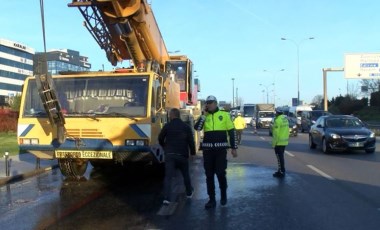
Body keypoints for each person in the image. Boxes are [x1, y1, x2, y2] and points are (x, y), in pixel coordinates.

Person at [194, 95, 238, 209]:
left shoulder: (224, 115)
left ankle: (223, 195)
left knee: (220, 173)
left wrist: (234, 148)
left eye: (211, 102)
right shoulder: (205, 116)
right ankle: (211, 199)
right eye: (208, 103)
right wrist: (203, 115)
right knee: (209, 175)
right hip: (208, 151)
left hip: (220, 151)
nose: (209, 104)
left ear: (216, 103)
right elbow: (197, 128)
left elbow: (232, 131)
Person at [158, 108, 196, 205]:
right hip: (182, 155)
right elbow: (191, 141)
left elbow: (160, 138)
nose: (169, 116)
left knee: (168, 177)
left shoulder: (167, 126)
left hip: (170, 155)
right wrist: (192, 153)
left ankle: (166, 198)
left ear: (172, 115)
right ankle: (189, 193)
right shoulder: (186, 127)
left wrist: (164, 146)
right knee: (185, 175)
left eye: (170, 114)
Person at [271, 108, 290, 178]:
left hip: (278, 142)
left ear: (277, 113)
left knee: (279, 157)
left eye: (276, 112)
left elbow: (276, 134)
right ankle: (281, 170)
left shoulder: (278, 120)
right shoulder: (285, 120)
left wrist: (273, 144)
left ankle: (281, 171)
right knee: (281, 157)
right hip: (284, 141)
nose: (275, 113)